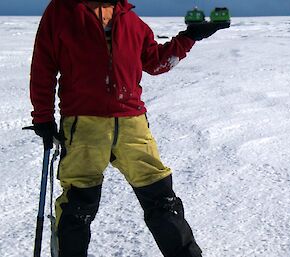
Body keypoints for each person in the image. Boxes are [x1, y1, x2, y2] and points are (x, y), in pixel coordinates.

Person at [29, 0, 229, 256]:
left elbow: (156, 62)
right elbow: (43, 65)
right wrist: (43, 117)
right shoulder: (62, 10)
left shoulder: (132, 21)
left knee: (162, 199)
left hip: (132, 124)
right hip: (84, 126)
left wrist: (190, 37)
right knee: (77, 206)